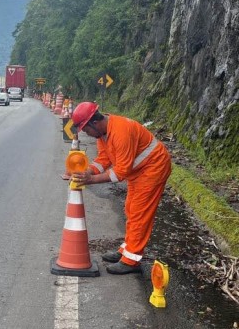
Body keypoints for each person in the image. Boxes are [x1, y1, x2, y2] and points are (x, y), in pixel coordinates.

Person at [67, 101, 172, 274]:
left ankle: (131, 261)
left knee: (139, 213)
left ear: (94, 122)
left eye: (85, 129)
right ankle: (127, 250)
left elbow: (120, 172)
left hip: (153, 168)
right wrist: (87, 171)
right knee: (131, 209)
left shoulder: (120, 131)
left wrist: (90, 180)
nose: (86, 133)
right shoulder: (102, 135)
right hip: (139, 171)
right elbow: (103, 160)